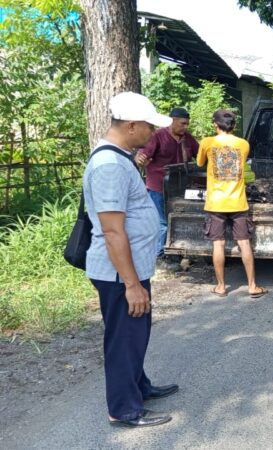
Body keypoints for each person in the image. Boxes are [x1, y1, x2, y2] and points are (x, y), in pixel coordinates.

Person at [83, 92, 178, 428]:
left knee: (135, 333)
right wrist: (132, 284)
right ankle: (124, 408)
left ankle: (139, 386)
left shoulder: (119, 157)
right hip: (119, 274)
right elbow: (111, 230)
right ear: (132, 125)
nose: (153, 133)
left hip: (129, 268)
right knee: (125, 338)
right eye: (149, 127)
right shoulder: (109, 165)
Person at [196, 109, 267, 299]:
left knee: (218, 245)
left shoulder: (207, 143)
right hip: (238, 202)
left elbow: (200, 162)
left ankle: (220, 287)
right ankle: (252, 286)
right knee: (245, 243)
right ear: (234, 125)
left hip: (216, 203)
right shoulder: (243, 144)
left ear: (215, 125)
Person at [134, 107, 199, 257]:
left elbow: (201, 156)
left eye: (187, 124)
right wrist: (140, 158)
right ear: (172, 121)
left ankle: (177, 251)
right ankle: (159, 255)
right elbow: (143, 154)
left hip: (181, 188)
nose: (185, 127)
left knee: (178, 220)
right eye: (182, 123)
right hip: (158, 187)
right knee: (162, 223)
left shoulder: (187, 138)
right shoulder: (157, 136)